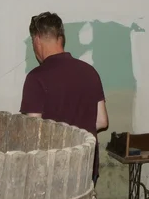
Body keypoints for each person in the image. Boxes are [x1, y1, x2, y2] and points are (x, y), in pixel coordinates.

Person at [21, 12, 109, 182]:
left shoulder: (36, 78)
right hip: (86, 167)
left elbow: (35, 130)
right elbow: (102, 121)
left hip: (53, 170)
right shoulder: (90, 72)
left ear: (37, 40)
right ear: (60, 38)